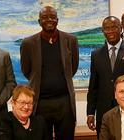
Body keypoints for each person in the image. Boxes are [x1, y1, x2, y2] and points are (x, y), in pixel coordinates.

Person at [20, 6, 79, 140]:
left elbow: (73, 68)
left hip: (65, 103)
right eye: (45, 17)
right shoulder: (28, 43)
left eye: (52, 17)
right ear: (39, 21)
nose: (49, 20)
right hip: (40, 103)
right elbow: (26, 70)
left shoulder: (71, 40)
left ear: (57, 20)